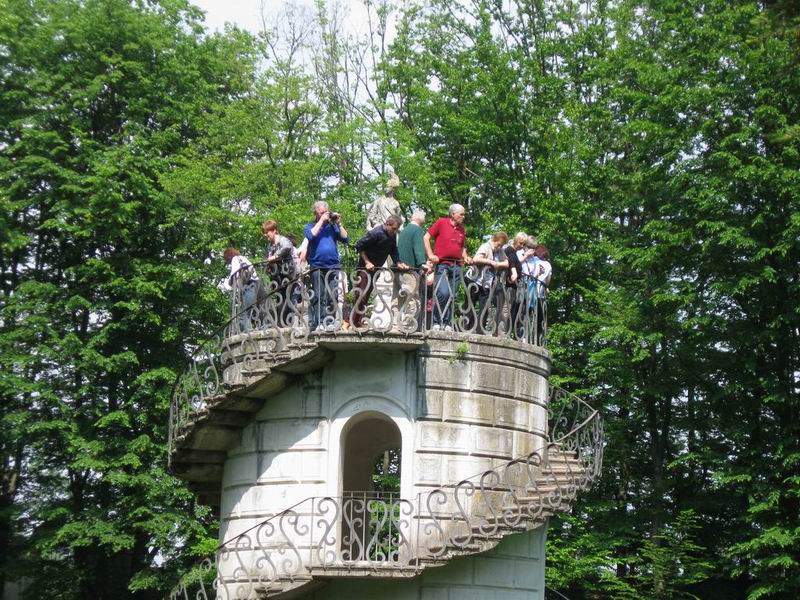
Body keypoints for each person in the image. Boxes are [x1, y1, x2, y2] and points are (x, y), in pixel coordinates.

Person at [351, 216, 409, 328]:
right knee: (361, 294)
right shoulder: (375, 233)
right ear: (387, 224)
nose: (395, 231)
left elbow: (393, 250)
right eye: (394, 228)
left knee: (367, 294)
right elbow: (359, 245)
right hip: (364, 269)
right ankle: (353, 322)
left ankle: (358, 321)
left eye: (397, 229)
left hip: (376, 269)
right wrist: (367, 262)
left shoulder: (392, 235)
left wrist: (398, 262)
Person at [424, 204, 471, 331]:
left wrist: (466, 256)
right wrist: (430, 255)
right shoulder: (441, 222)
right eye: (461, 214)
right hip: (442, 264)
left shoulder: (461, 229)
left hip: (456, 266)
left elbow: (462, 247)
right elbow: (426, 237)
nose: (463, 217)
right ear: (453, 214)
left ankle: (447, 323)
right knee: (443, 293)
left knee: (452, 295)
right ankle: (436, 322)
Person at [304, 200, 349, 331]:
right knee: (319, 295)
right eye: (321, 212)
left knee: (332, 295)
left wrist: (339, 223)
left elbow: (345, 238)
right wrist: (321, 221)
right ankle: (319, 322)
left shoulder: (333, 226)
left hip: (333, 266)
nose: (324, 214)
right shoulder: (309, 226)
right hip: (317, 266)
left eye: (325, 212)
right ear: (315, 213)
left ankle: (330, 321)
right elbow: (310, 236)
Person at [468, 231, 509, 334]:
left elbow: (506, 263)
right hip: (475, 280)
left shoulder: (500, 251)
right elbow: (476, 259)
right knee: (470, 305)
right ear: (495, 240)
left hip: (487, 283)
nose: (500, 247)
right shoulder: (486, 246)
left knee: (485, 307)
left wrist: (498, 264)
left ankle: (480, 331)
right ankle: (467, 329)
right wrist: (490, 262)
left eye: (502, 245)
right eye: (499, 244)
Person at [396, 209, 429, 330]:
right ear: (418, 217)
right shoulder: (417, 230)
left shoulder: (404, 230)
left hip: (399, 270)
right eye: (424, 216)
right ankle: (408, 327)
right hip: (410, 271)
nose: (425, 218)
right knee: (413, 299)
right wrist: (422, 263)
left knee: (400, 298)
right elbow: (418, 248)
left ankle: (396, 324)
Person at [262, 220, 297, 327]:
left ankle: (288, 324)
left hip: (287, 274)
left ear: (274, 231)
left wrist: (275, 256)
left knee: (287, 298)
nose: (265, 235)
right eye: (264, 232)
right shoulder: (270, 245)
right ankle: (281, 324)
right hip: (277, 277)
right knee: (280, 298)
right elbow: (269, 258)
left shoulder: (282, 240)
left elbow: (287, 247)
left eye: (267, 232)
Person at [220, 247, 262, 333]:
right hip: (257, 284)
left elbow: (234, 274)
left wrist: (231, 283)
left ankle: (248, 332)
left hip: (248, 286)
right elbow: (252, 268)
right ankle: (262, 327)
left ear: (228, 256)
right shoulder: (243, 258)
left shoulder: (235, 259)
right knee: (259, 309)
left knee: (245, 312)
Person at [505, 232, 527, 337]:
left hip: (513, 286)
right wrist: (513, 274)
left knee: (510, 310)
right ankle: (503, 333)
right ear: (515, 240)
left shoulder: (514, 251)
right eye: (520, 243)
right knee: (506, 309)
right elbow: (511, 263)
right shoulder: (510, 250)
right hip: (509, 286)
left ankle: (506, 332)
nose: (522, 246)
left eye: (524, 244)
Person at [530, 245, 552, 345]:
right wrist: (546, 287)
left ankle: (523, 336)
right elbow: (548, 280)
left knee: (526, 314)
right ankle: (538, 341)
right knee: (539, 319)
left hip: (530, 291)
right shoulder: (548, 265)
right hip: (540, 293)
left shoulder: (533, 260)